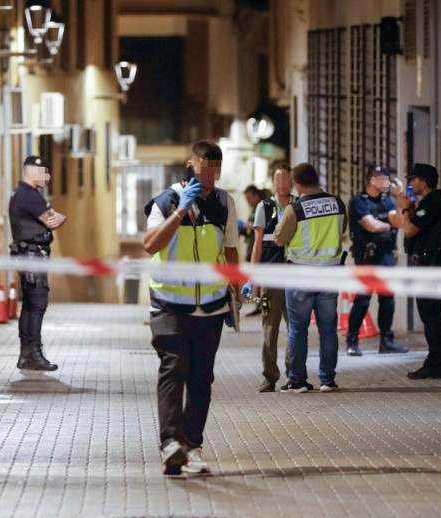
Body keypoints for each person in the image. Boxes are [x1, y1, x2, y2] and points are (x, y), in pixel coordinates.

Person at [143, 140, 240, 476]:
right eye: (205, 167)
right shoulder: (165, 201)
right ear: (191, 164)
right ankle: (171, 443)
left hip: (211, 306)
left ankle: (191, 447)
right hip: (169, 304)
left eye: (217, 168)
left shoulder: (225, 202)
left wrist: (238, 287)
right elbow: (150, 244)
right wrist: (180, 210)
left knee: (201, 378)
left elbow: (230, 249)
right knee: (174, 366)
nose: (211, 175)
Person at [274, 163, 347, 393]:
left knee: (298, 329)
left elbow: (279, 238)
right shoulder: (337, 203)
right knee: (328, 329)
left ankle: (297, 380)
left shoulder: (295, 208)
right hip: (329, 274)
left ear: (297, 185)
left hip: (301, 276)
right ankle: (327, 380)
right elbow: (342, 230)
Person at [345, 164, 411, 356]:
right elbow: (371, 226)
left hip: (385, 254)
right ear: (373, 180)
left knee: (388, 298)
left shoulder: (387, 201)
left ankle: (387, 341)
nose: (388, 184)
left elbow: (397, 222)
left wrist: (400, 199)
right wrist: (388, 226)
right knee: (363, 298)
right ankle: (352, 341)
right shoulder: (358, 201)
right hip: (367, 256)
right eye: (385, 180)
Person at [8, 155, 66, 371]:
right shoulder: (29, 196)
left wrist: (60, 217)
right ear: (31, 172)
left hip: (30, 254)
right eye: (45, 172)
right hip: (32, 255)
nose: (48, 177)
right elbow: (52, 219)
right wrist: (61, 218)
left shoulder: (23, 194)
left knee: (32, 304)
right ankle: (31, 354)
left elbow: (53, 218)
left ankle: (28, 354)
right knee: (37, 303)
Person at [400, 163, 441, 380]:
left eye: (413, 180)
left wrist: (404, 209)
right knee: (438, 315)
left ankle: (435, 363)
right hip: (436, 263)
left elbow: (410, 229)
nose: (411, 184)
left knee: (431, 316)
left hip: (429, 266)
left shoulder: (432, 203)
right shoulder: (438, 202)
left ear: (423, 181)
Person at [243, 161, 294, 392]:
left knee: (295, 328)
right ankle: (270, 376)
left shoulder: (299, 204)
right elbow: (257, 245)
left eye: (288, 179)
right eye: (279, 179)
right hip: (270, 278)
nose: (284, 184)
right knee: (269, 328)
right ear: (273, 182)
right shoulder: (265, 207)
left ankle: (293, 373)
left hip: (295, 278)